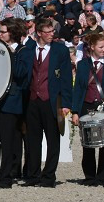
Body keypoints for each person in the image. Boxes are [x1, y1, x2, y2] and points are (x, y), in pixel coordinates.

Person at [19, 17, 73, 187]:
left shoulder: (60, 50)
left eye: (52, 31)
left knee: (53, 140)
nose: (52, 34)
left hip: (51, 99)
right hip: (32, 100)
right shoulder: (29, 49)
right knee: (32, 140)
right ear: (39, 33)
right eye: (48, 32)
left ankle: (49, 175)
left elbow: (66, 78)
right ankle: (33, 174)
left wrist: (66, 103)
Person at [0, 19, 32, 189]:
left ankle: (6, 176)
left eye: (3, 32)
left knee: (8, 141)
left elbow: (21, 74)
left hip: (11, 101)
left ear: (13, 33)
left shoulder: (24, 51)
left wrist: (10, 53)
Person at [71, 32, 104, 187]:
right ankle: (89, 177)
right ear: (92, 47)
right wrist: (75, 111)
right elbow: (78, 89)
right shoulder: (82, 65)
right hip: (86, 107)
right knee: (87, 144)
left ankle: (103, 177)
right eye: (101, 47)